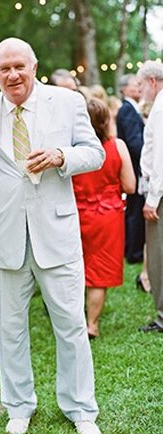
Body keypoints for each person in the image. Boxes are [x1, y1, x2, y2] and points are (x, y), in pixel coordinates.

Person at [0, 37, 104, 434]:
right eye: (4, 68)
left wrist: (62, 156)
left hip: (56, 234)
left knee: (71, 324)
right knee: (9, 328)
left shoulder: (66, 102)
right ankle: (18, 406)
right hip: (3, 237)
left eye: (19, 67)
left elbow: (94, 152)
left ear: (34, 66)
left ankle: (80, 408)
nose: (13, 75)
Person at [73, 99, 136, 338]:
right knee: (99, 273)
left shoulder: (72, 150)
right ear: (105, 120)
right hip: (108, 215)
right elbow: (130, 186)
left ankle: (74, 321)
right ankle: (92, 324)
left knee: (75, 268)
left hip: (77, 213)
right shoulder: (117, 146)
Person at [137, 60, 163, 333]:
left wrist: (152, 198)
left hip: (160, 193)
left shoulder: (160, 108)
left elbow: (160, 157)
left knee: (158, 256)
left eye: (142, 84)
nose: (140, 89)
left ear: (153, 82)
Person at [117, 74, 149, 279]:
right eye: (134, 85)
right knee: (135, 211)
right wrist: (148, 158)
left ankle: (132, 249)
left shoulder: (131, 109)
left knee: (135, 209)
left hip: (136, 167)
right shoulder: (127, 111)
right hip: (136, 168)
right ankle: (134, 253)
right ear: (124, 89)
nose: (138, 88)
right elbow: (134, 143)